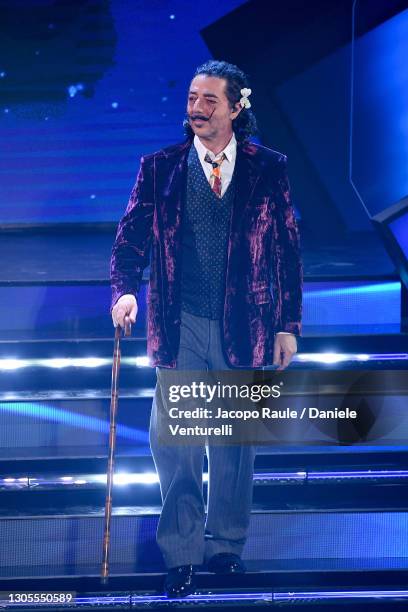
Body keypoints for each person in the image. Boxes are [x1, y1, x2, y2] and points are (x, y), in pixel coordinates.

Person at [110, 60, 303, 598]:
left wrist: (288, 324)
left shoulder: (269, 168)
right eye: (192, 98)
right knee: (177, 442)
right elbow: (129, 241)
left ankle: (226, 547)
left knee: (235, 442)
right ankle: (181, 553)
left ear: (237, 108)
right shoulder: (160, 167)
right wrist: (125, 290)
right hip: (180, 323)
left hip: (247, 323)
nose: (196, 108)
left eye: (209, 100)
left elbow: (287, 249)